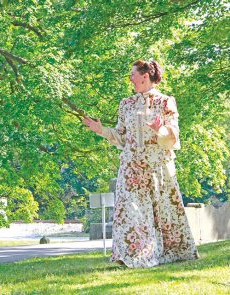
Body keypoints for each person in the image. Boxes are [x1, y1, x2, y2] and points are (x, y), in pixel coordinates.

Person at [83, 60, 198, 268]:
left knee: (162, 211)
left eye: (133, 74)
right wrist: (101, 130)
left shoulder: (165, 102)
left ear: (145, 76)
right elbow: (121, 136)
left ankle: (165, 252)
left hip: (158, 168)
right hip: (131, 168)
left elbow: (173, 136)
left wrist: (159, 130)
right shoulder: (125, 104)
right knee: (130, 211)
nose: (130, 79)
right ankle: (131, 256)